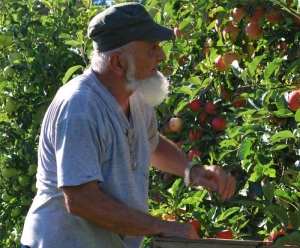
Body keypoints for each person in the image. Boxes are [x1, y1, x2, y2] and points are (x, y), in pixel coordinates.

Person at [21, 2, 236, 248]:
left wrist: (194, 172)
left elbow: (151, 145)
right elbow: (81, 200)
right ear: (118, 63)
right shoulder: (80, 108)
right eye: (151, 48)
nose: (162, 56)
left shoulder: (136, 95)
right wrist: (164, 227)